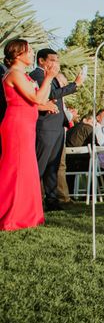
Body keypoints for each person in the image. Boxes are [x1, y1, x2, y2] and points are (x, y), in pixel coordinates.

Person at [1, 39, 58, 230]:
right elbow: (35, 97)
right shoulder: (14, 74)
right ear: (18, 54)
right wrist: (49, 78)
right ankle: (11, 215)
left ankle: (27, 214)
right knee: (16, 168)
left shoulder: (23, 75)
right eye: (29, 51)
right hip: (16, 125)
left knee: (27, 169)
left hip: (26, 124)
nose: (32, 54)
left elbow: (36, 100)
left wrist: (46, 105)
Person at [30, 48, 85, 211]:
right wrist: (75, 85)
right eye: (52, 60)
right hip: (45, 127)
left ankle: (52, 200)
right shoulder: (37, 75)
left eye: (57, 60)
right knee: (41, 165)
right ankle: (34, 200)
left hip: (57, 127)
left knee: (53, 167)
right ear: (41, 61)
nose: (56, 63)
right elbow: (52, 94)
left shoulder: (50, 77)